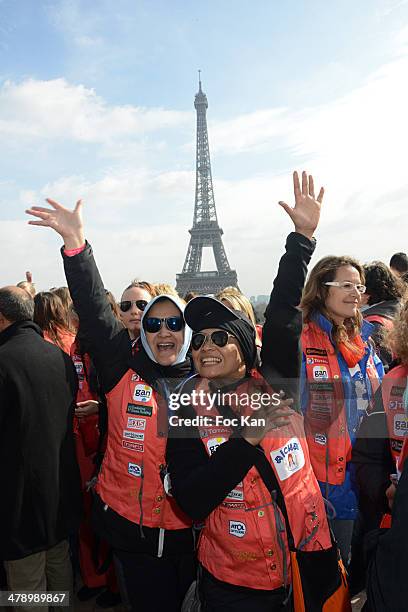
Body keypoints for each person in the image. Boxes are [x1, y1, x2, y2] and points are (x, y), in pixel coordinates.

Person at [166, 171, 334, 611]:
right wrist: (246, 442)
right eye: (198, 339)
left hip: (306, 561)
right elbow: (190, 498)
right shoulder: (185, 405)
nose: (206, 345)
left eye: (220, 337)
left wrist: (300, 240)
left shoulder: (274, 381)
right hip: (233, 578)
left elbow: (282, 315)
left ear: (244, 346)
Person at [26, 199, 196, 612]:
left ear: (189, 331)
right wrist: (76, 244)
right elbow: (96, 314)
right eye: (153, 323)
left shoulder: (210, 380)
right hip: (132, 535)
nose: (161, 329)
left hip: (193, 537)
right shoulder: (125, 369)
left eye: (174, 322)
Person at [300, 254, 384, 565]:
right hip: (324, 487)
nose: (356, 293)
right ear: (322, 289)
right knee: (332, 578)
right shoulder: (301, 340)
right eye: (346, 285)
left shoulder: (364, 341)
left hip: (367, 478)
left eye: (359, 286)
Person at [0, 286, 82, 609]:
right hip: (60, 496)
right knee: (60, 574)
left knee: (27, 589)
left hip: (18, 506)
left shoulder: (3, 362)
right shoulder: (59, 357)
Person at [361, 261, 405, 370]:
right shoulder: (401, 312)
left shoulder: (374, 324)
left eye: (359, 287)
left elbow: (376, 369)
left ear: (368, 291)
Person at [118, 280, 154, 344]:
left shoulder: (162, 346)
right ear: (120, 313)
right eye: (126, 305)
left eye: (142, 305)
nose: (134, 311)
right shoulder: (111, 345)